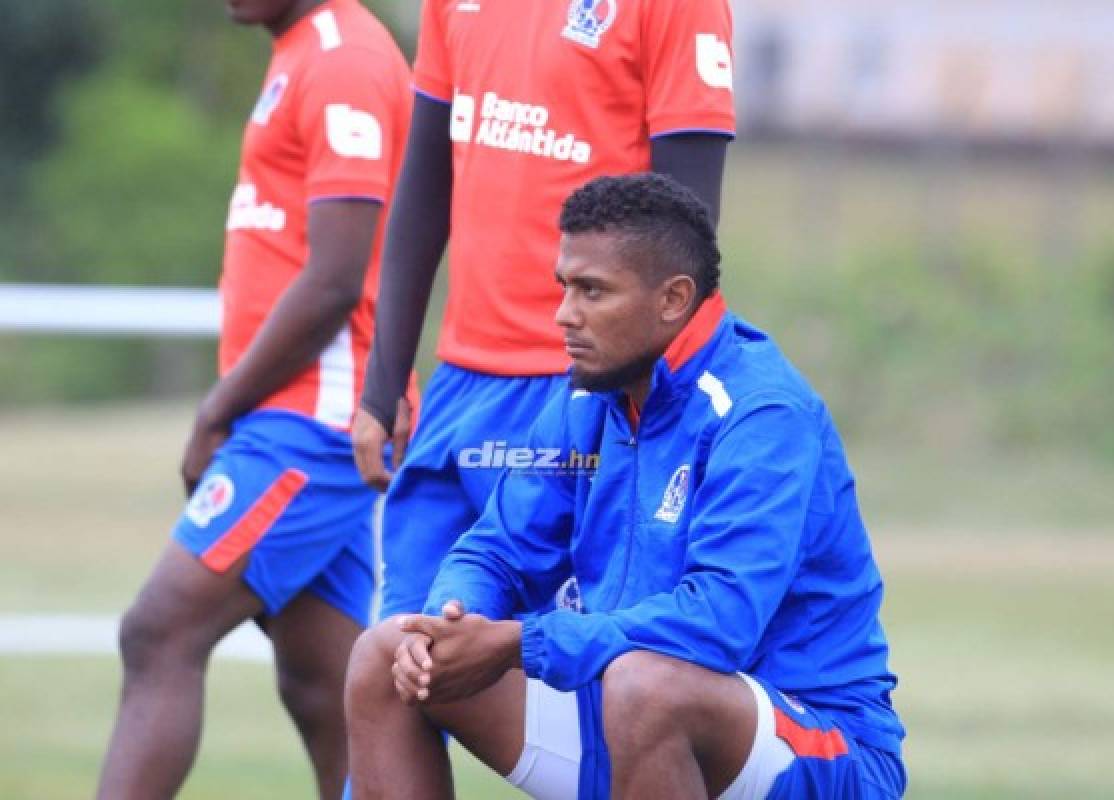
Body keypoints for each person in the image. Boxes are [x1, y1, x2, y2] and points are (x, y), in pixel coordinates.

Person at [347, 174, 907, 799]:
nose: (564, 315)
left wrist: (516, 643)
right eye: (564, 287)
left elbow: (717, 624)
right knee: (387, 656)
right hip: (634, 714)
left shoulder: (761, 413)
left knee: (647, 688)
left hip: (816, 746)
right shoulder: (588, 397)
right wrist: (453, 620)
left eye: (592, 291)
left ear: (672, 299)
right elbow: (498, 549)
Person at [96, 2, 412, 798]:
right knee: (327, 688)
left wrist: (216, 410)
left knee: (158, 633)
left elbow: (336, 280)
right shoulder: (299, 51)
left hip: (311, 420)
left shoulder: (345, 59)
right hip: (303, 415)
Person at [349, 0, 738, 640]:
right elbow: (422, 189)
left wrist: (644, 412)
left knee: (579, 688)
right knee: (398, 668)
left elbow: (686, 237)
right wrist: (382, 385)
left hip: (586, 397)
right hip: (459, 391)